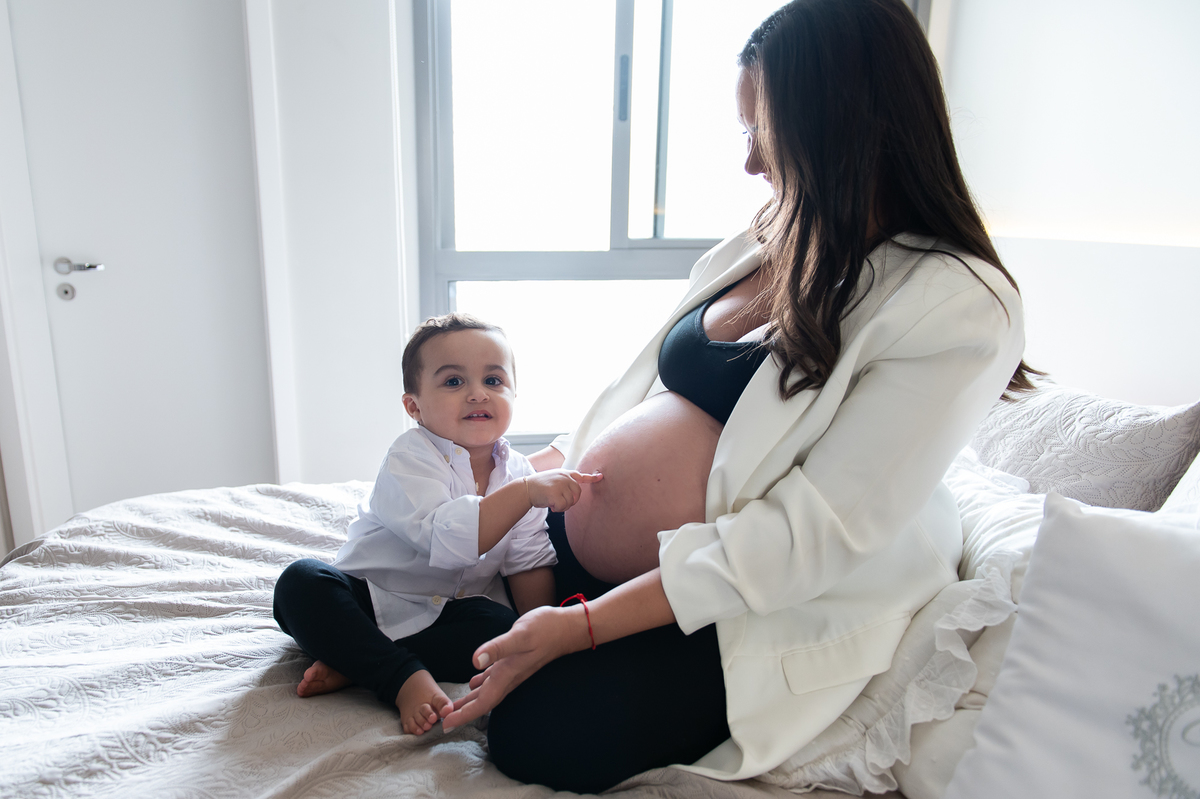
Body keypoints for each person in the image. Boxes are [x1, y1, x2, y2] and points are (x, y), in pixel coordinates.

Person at [437, 0, 1035, 793]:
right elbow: (643, 388)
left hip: (750, 600)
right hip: (619, 557)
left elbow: (806, 537)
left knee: (534, 731)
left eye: (762, 130)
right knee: (383, 572)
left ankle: (535, 628)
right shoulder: (775, 231)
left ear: (840, 124)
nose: (750, 161)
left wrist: (580, 626)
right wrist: (538, 474)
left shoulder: (958, 303)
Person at [272, 314, 601, 735]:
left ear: (514, 394)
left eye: (494, 380)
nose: (477, 393)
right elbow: (447, 537)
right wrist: (524, 494)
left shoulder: (518, 471)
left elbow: (527, 560)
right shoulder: (410, 457)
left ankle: (356, 662)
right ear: (414, 407)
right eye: (453, 382)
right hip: (370, 597)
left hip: (448, 615)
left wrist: (536, 639)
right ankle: (401, 677)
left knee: (501, 629)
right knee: (300, 583)